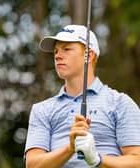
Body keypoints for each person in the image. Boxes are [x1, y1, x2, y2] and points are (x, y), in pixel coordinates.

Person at [24, 25, 140, 168]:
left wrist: (98, 159)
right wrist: (70, 148)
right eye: (55, 51)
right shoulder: (42, 109)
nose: (57, 55)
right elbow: (33, 165)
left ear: (89, 55)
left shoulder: (120, 103)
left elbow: (137, 161)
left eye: (66, 49)